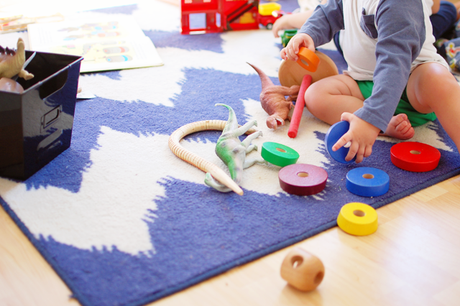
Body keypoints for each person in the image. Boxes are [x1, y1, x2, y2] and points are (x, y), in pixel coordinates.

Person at [281, 0, 460, 163]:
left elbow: (394, 64)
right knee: (314, 94)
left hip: (413, 81)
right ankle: (386, 123)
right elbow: (329, 13)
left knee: (437, 80)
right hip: (364, 80)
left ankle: (375, 118)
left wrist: (372, 118)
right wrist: (308, 33)